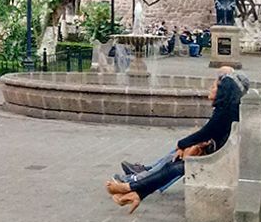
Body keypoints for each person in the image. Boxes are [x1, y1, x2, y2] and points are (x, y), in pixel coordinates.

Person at [105, 73, 244, 213]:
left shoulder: (224, 113)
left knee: (175, 167)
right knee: (173, 164)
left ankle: (131, 187)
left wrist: (181, 144)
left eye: (215, 87)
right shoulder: (226, 111)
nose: (211, 88)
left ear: (223, 92)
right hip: (217, 155)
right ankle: (137, 193)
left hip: (220, 163)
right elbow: (207, 135)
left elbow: (205, 133)